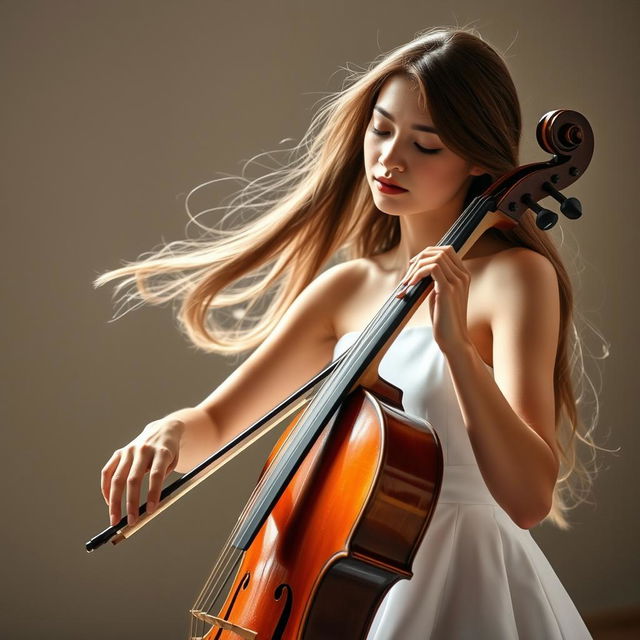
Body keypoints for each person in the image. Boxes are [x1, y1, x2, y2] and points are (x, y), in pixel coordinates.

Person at [95, 25, 606, 639]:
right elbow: (216, 426)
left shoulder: (515, 278)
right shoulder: (346, 290)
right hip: (345, 585)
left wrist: (458, 350)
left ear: (478, 159)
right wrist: (167, 431)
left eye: (427, 145)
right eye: (382, 128)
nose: (389, 159)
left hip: (468, 581)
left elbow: (528, 501)